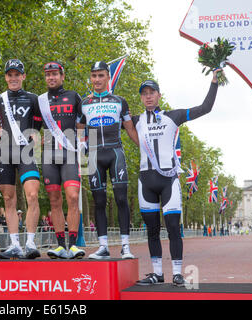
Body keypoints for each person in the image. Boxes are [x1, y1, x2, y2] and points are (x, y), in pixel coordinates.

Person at [133, 68, 222, 287]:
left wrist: (214, 81)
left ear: (159, 95)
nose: (148, 96)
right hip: (145, 180)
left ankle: (176, 273)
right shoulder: (134, 120)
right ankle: (156, 273)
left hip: (168, 180)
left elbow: (205, 108)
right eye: (144, 93)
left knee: (173, 227)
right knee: (152, 229)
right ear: (141, 97)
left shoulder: (173, 116)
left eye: (152, 92)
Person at [78, 61, 139, 260]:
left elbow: (130, 129)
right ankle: (103, 246)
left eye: (101, 76)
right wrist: (81, 150)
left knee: (121, 199)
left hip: (115, 152)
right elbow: (79, 130)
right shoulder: (85, 103)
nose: (97, 80)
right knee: (99, 201)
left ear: (108, 77)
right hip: (95, 154)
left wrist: (146, 151)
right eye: (94, 76)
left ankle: (125, 246)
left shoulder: (120, 101)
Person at [0, 59, 43, 259]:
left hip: (25, 153)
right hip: (4, 152)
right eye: (9, 75)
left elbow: (38, 120)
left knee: (32, 196)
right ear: (6, 77)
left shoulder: (33, 99)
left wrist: (36, 133)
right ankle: (14, 244)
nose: (13, 78)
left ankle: (30, 243)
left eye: (17, 74)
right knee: (8, 199)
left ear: (23, 76)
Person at [38, 61, 85, 259]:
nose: (51, 77)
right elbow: (32, 124)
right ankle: (60, 246)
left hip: (70, 153)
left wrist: (83, 143)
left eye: (55, 74)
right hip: (49, 155)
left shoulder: (73, 96)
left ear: (62, 76)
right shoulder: (39, 100)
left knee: (73, 197)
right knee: (54, 200)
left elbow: (83, 121)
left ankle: (73, 245)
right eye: (48, 74)